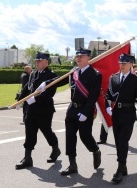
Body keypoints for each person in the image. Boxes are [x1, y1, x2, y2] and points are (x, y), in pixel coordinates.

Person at [37, 47, 102, 176]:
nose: (78, 58)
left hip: (85, 110)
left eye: (82, 56)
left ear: (88, 58)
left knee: (85, 136)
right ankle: (72, 164)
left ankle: (95, 150)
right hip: (72, 109)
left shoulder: (95, 74)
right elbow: (60, 80)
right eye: (77, 56)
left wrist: (85, 112)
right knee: (70, 137)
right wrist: (46, 83)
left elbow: (93, 96)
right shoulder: (74, 72)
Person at [105, 53, 137, 184]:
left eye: (124, 63)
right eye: (120, 63)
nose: (121, 65)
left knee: (123, 140)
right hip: (116, 113)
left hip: (128, 114)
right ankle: (124, 165)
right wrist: (107, 106)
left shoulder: (136, 80)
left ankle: (119, 169)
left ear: (130, 64)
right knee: (118, 141)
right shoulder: (114, 78)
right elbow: (108, 95)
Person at [15, 52, 60, 170]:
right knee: (29, 133)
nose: (37, 62)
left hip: (44, 109)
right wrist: (19, 101)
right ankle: (27, 158)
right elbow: (27, 88)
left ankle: (55, 149)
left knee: (46, 131)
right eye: (36, 60)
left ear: (46, 62)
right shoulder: (33, 73)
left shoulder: (51, 75)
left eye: (40, 60)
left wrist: (35, 99)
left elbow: (50, 93)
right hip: (31, 110)